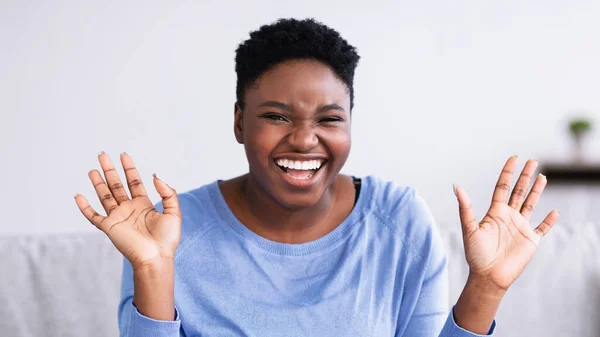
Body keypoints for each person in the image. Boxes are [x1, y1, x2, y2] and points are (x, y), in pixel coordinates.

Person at [74, 18, 559, 337]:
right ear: (239, 121)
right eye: (278, 117)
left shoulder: (398, 221)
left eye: (329, 118)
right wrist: (154, 270)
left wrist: (487, 287)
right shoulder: (169, 232)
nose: (306, 141)